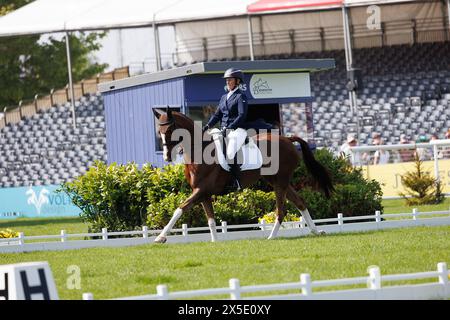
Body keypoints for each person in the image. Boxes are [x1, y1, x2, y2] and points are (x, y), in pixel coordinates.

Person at [202, 68, 248, 190]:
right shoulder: (224, 97)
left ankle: (237, 181)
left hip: (237, 129)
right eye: (226, 80)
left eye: (230, 80)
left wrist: (230, 127)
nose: (227, 82)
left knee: (230, 152)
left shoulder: (240, 96)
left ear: (237, 81)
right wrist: (207, 126)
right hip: (223, 129)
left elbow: (241, 115)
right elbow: (217, 115)